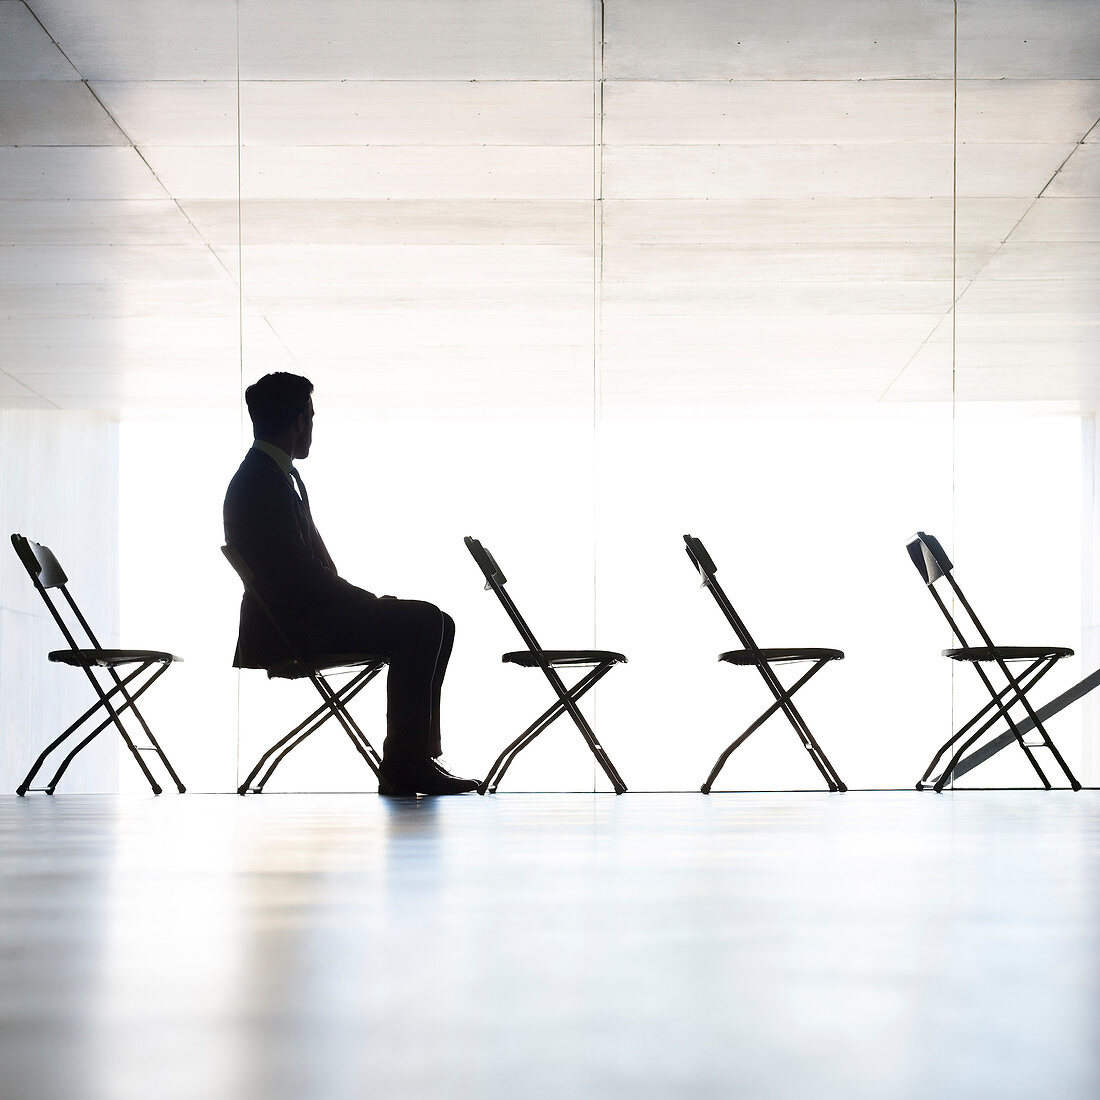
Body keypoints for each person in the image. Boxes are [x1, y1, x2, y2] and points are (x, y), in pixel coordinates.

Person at [223, 372, 477, 796]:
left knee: (438, 622)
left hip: (302, 615)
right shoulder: (263, 481)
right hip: (296, 626)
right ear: (300, 420)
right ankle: (405, 765)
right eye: (312, 417)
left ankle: (415, 758)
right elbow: (299, 576)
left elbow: (298, 572)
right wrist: (366, 601)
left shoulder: (267, 474)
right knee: (424, 622)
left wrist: (363, 602)